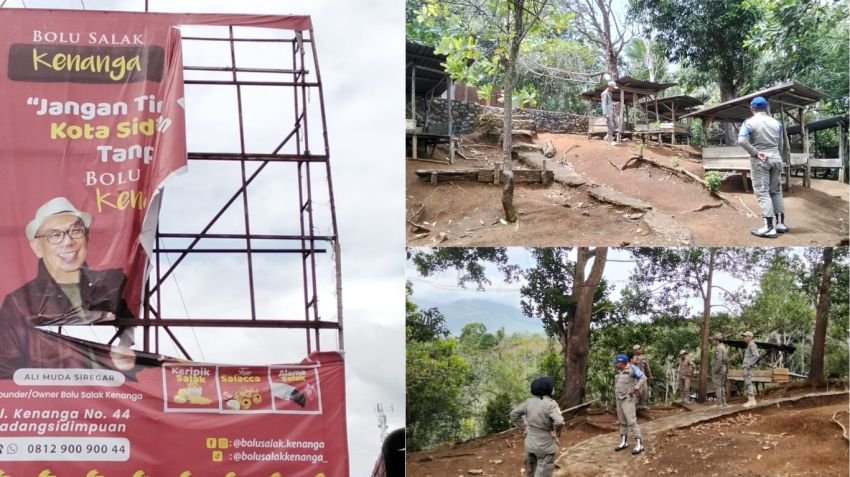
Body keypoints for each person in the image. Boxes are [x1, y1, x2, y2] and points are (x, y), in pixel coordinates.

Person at [0, 197, 135, 378]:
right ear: (37, 247)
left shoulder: (112, 284)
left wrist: (125, 346)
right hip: (53, 394)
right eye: (55, 235)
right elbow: (6, 369)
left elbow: (134, 323)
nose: (68, 242)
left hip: (111, 390)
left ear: (86, 238)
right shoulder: (19, 302)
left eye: (76, 231)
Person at [737, 96, 788, 238]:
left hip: (761, 161)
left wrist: (755, 152)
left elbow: (742, 140)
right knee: (776, 191)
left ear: (752, 108)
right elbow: (781, 144)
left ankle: (769, 228)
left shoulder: (749, 122)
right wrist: (777, 156)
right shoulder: (777, 123)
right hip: (776, 159)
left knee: (763, 192)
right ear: (766, 108)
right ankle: (780, 224)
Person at [510, 376, 564, 477]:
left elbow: (514, 414)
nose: (554, 388)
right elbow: (559, 421)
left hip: (530, 443)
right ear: (547, 389)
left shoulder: (528, 402)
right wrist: (556, 433)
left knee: (532, 472)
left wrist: (524, 427)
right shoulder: (551, 404)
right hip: (545, 445)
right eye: (552, 386)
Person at [613, 354, 645, 454]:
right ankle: (624, 442)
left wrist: (636, 388)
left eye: (617, 363)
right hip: (619, 399)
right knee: (622, 421)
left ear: (622, 362)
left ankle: (639, 444)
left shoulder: (633, 368)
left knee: (631, 421)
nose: (616, 364)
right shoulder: (620, 371)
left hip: (628, 398)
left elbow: (643, 378)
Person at [742, 331, 760, 408]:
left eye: (745, 336)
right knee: (748, 383)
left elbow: (756, 355)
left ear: (750, 337)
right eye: (744, 337)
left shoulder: (752, 344)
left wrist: (750, 364)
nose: (744, 338)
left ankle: (751, 401)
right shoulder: (749, 345)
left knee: (748, 383)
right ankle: (751, 400)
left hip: (748, 367)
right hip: (746, 367)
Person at [632, 344, 653, 411]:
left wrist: (650, 375)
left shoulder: (644, 357)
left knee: (645, 390)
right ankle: (636, 405)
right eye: (638, 349)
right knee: (637, 391)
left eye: (640, 348)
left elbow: (647, 367)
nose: (640, 350)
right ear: (635, 351)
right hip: (635, 377)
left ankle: (643, 404)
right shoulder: (633, 358)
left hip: (642, 376)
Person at [711, 334, 728, 407]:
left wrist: (716, 369)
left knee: (717, 386)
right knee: (721, 386)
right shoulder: (723, 347)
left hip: (719, 369)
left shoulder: (719, 348)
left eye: (713, 340)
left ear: (717, 340)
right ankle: (724, 402)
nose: (712, 341)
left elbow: (719, 360)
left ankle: (719, 403)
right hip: (723, 368)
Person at [601, 80, 619, 145]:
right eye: (613, 88)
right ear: (609, 86)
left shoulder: (610, 93)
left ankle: (607, 136)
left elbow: (609, 103)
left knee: (617, 125)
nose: (613, 89)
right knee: (610, 126)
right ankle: (610, 141)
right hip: (608, 112)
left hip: (612, 111)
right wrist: (605, 114)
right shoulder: (604, 93)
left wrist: (614, 103)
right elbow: (603, 104)